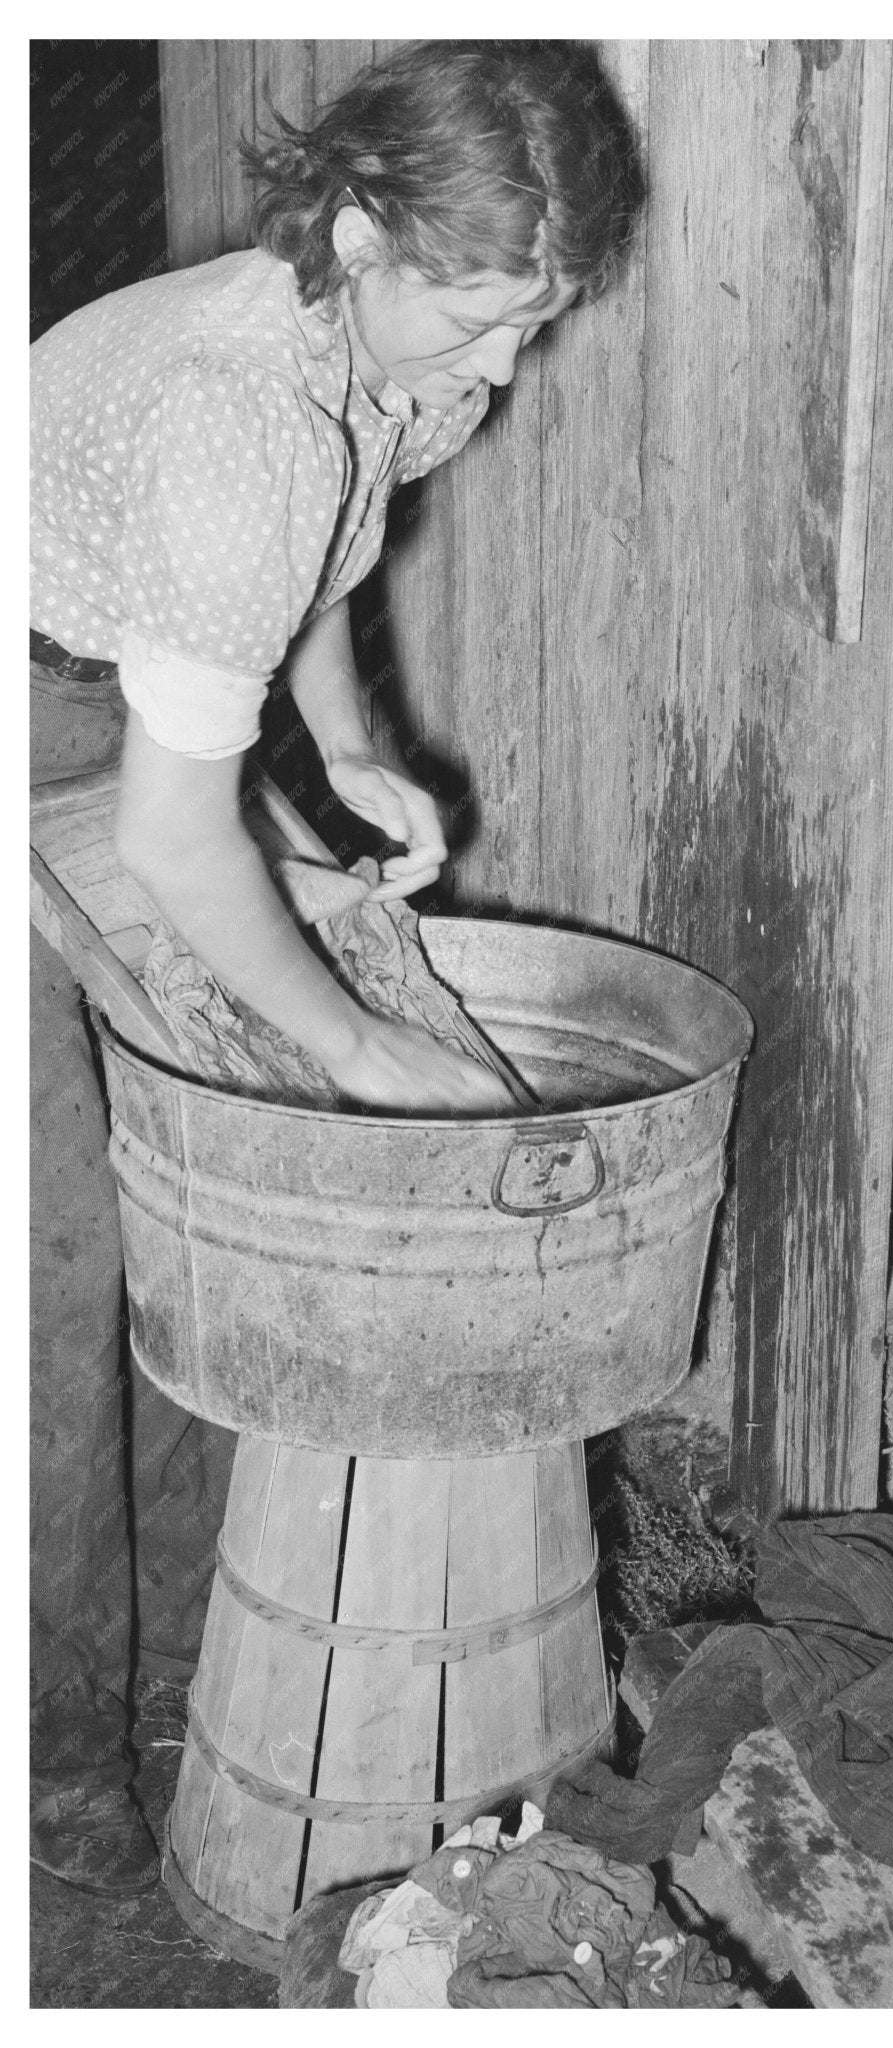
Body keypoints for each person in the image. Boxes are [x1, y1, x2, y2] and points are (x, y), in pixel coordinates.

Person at [30, 39, 641, 1896]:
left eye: (534, 322)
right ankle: (56, 1748)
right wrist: (364, 1049)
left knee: (230, 1144)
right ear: (360, 227)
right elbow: (168, 839)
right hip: (44, 702)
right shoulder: (239, 414)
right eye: (478, 315)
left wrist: (349, 744)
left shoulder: (398, 358)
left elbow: (307, 573)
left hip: (124, 699)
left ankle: (235, 1594)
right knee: (50, 1243)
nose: (506, 366)